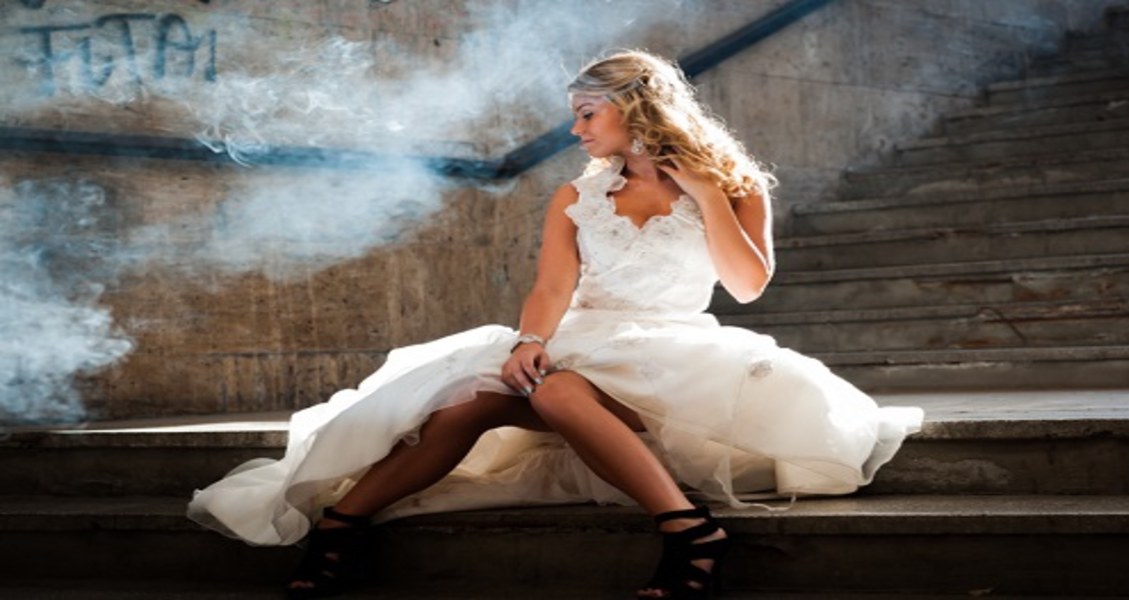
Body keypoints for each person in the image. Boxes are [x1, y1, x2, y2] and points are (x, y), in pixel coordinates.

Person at [188, 50, 923, 599]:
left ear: (635, 108)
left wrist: (703, 191)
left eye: (587, 113)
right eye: (576, 113)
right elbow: (551, 288)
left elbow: (748, 286)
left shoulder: (733, 185)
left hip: (673, 356)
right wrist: (530, 341)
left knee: (560, 391)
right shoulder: (575, 196)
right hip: (579, 340)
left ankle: (688, 531)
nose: (575, 128)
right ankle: (339, 530)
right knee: (463, 405)